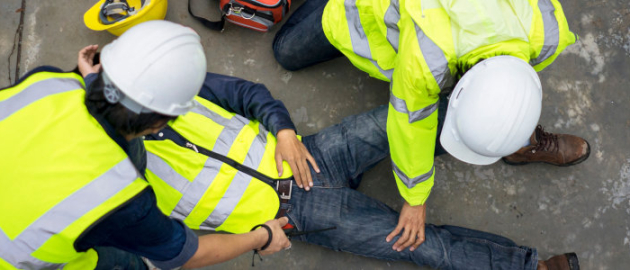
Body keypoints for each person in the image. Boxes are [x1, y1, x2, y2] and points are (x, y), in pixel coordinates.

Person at [127, 72, 578, 270]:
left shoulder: (153, 87)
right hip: (296, 216)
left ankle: (515, 139)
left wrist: (283, 130)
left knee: (414, 117)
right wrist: (261, 238)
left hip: (311, 153)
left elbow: (245, 93)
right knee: (420, 244)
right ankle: (530, 268)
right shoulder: (116, 192)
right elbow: (181, 253)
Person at [272, 0, 590, 252]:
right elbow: (410, 126)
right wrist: (415, 198)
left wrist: (509, 121)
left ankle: (522, 140)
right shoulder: (426, 60)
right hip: (364, 11)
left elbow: (521, 82)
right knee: (286, 51)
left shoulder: (549, 33)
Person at [0, 20, 290, 270]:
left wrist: (92, 79)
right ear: (158, 125)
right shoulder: (123, 197)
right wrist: (263, 236)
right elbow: (187, 256)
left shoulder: (46, 81)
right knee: (117, 260)